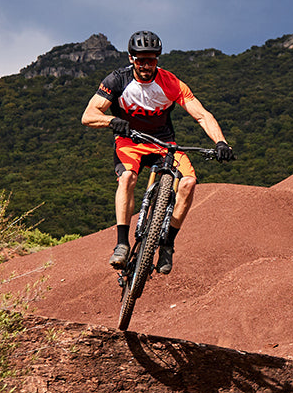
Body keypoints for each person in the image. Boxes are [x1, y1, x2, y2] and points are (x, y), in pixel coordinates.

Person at [81, 29, 234, 274]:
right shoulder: (117, 80)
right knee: (128, 178)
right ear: (131, 58)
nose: (145, 65)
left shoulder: (171, 83)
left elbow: (202, 115)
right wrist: (111, 121)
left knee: (189, 183)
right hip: (129, 141)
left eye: (151, 59)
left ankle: (167, 245)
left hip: (163, 143)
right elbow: (88, 115)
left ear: (157, 59)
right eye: (140, 59)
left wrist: (221, 142)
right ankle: (121, 244)